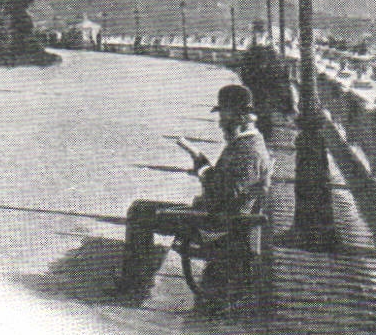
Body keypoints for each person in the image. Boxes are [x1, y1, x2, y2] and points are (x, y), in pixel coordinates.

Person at [115, 83, 274, 302]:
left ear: (239, 117)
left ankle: (132, 284)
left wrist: (202, 167)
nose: (220, 123)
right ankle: (137, 277)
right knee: (142, 207)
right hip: (220, 217)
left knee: (139, 212)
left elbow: (223, 194)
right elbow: (227, 188)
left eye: (224, 115)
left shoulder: (248, 151)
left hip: (213, 223)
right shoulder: (250, 144)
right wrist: (201, 161)